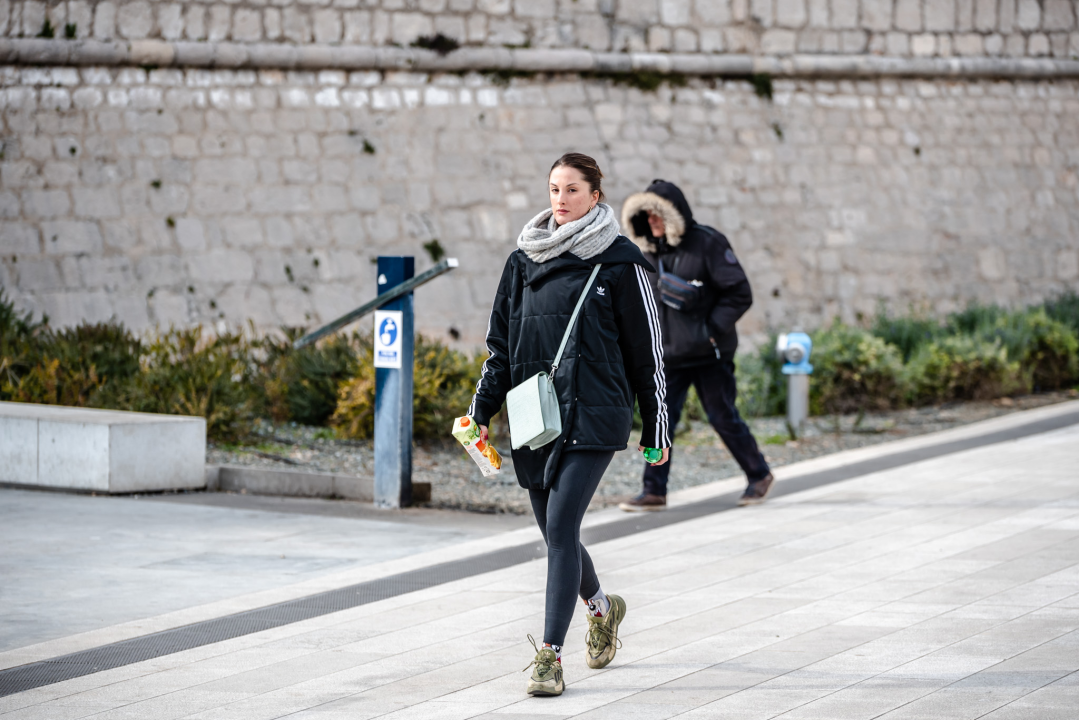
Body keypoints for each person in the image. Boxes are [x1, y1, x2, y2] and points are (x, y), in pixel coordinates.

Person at [467, 153, 670, 696]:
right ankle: (602, 609)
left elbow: (648, 351)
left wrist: (658, 427)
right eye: (555, 188)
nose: (561, 199)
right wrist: (479, 411)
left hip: (595, 413)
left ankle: (550, 658)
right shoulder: (523, 261)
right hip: (535, 417)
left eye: (573, 190)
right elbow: (500, 349)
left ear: (595, 197)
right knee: (555, 531)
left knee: (559, 529)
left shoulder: (620, 261)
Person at [618, 179, 774, 512]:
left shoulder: (708, 244)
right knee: (660, 422)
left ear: (674, 216)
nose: (653, 223)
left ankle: (759, 474)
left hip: (709, 353)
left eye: (659, 216)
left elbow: (739, 292)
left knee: (722, 416)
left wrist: (711, 330)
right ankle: (653, 490)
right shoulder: (645, 254)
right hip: (668, 357)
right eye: (647, 217)